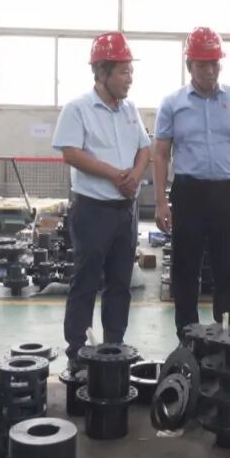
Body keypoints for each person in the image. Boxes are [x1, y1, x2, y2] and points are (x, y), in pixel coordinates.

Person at [153, 26, 230, 337]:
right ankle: (187, 337)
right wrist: (161, 201)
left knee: (228, 269)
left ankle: (227, 337)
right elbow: (160, 154)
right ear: (189, 65)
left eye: (215, 63)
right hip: (188, 193)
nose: (210, 70)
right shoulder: (172, 103)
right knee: (185, 270)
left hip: (226, 194)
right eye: (202, 64)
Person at [52, 31, 151, 371]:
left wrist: (134, 175)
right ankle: (77, 352)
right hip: (92, 210)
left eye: (131, 71)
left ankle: (114, 348)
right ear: (102, 73)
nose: (129, 78)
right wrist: (113, 175)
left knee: (120, 282)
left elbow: (145, 148)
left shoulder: (130, 110)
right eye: (123, 71)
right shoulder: (78, 109)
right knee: (86, 281)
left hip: (125, 210)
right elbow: (71, 153)